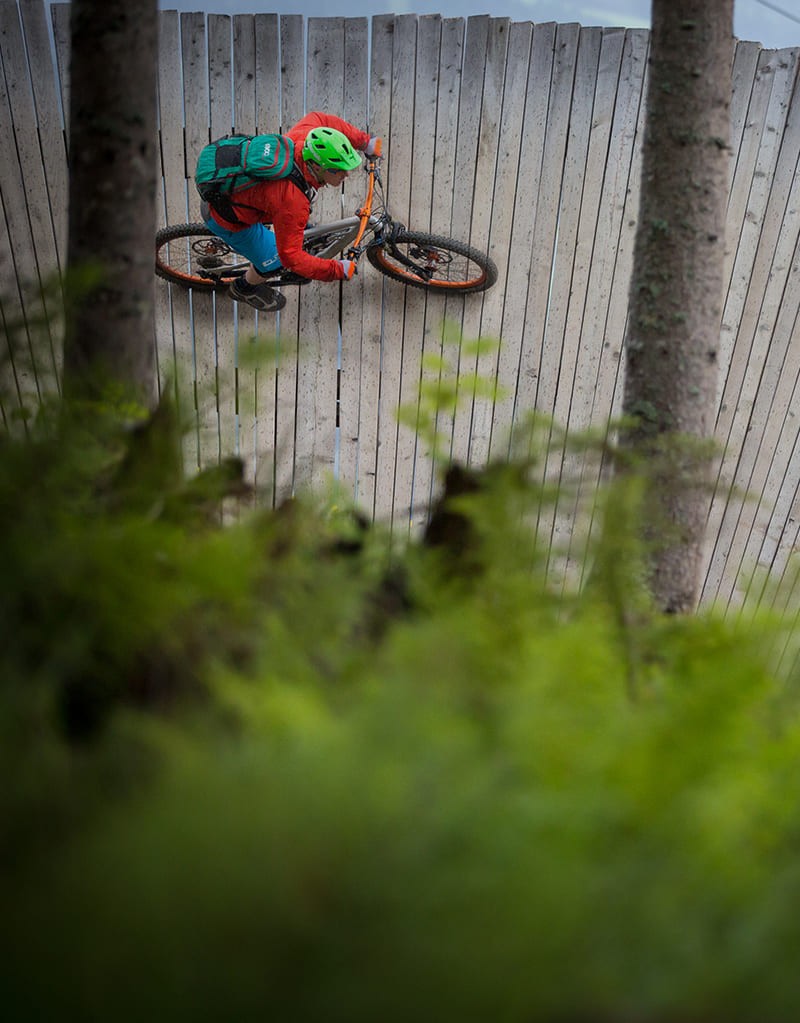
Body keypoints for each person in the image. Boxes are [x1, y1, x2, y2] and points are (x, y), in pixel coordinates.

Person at [202, 112, 383, 312]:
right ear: (316, 165)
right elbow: (291, 257)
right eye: (337, 170)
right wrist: (336, 269)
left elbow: (321, 120)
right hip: (229, 220)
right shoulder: (292, 202)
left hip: (244, 197)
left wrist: (364, 142)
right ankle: (243, 288)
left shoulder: (304, 139)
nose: (345, 174)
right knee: (276, 263)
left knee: (294, 227)